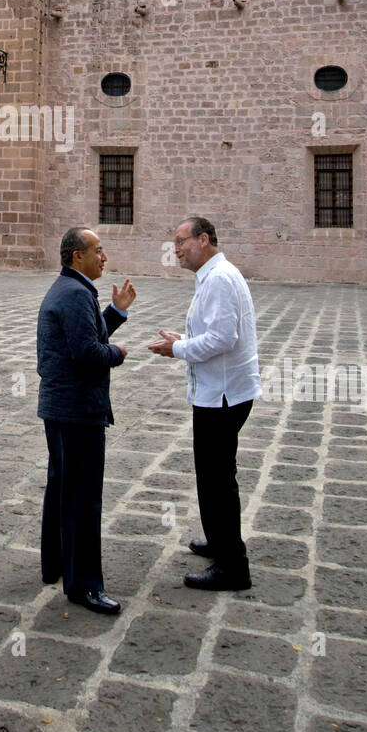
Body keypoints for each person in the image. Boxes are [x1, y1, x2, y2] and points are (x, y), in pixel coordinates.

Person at [148, 215, 261, 590]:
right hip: (222, 390)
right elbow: (216, 332)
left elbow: (223, 339)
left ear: (205, 240)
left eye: (182, 241)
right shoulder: (216, 276)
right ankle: (219, 541)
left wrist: (177, 348)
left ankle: (232, 566)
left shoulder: (218, 279)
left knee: (216, 480)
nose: (176, 248)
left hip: (223, 395)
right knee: (214, 475)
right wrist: (183, 336)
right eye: (175, 242)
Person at [37, 227, 135, 614]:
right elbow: (87, 352)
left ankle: (56, 564)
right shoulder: (76, 294)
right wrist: (119, 352)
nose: (104, 257)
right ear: (78, 256)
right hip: (77, 409)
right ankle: (85, 586)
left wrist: (117, 313)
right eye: (98, 250)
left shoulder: (69, 290)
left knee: (62, 486)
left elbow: (81, 335)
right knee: (83, 498)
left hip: (62, 408)